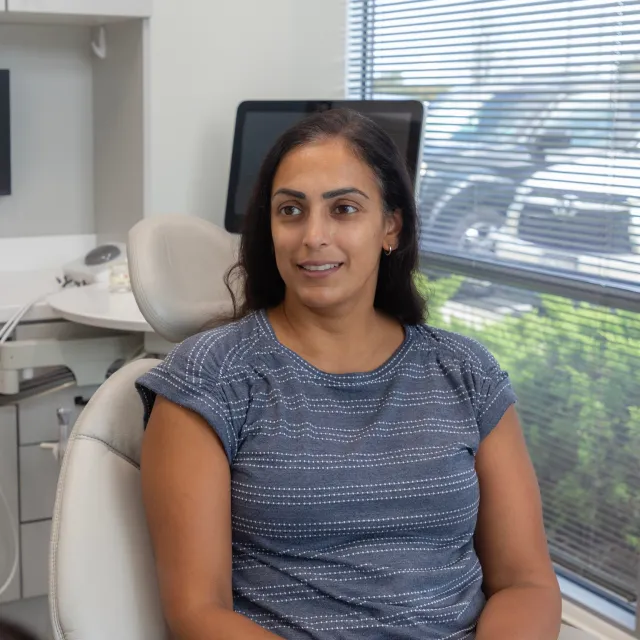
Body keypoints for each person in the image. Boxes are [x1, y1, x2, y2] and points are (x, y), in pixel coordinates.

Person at [136, 109, 562, 639]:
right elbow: (198, 612)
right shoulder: (209, 380)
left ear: (391, 226)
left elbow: (525, 583)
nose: (314, 236)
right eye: (290, 210)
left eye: (344, 209)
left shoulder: (466, 373)